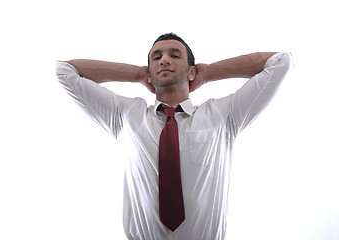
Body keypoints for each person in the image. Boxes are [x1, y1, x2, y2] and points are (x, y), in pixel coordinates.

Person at [56, 33, 291, 240]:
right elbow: (64, 71)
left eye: (174, 55)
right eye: (156, 57)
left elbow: (279, 61)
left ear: (191, 71)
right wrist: (138, 74)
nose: (164, 60)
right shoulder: (126, 115)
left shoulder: (223, 115)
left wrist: (208, 72)